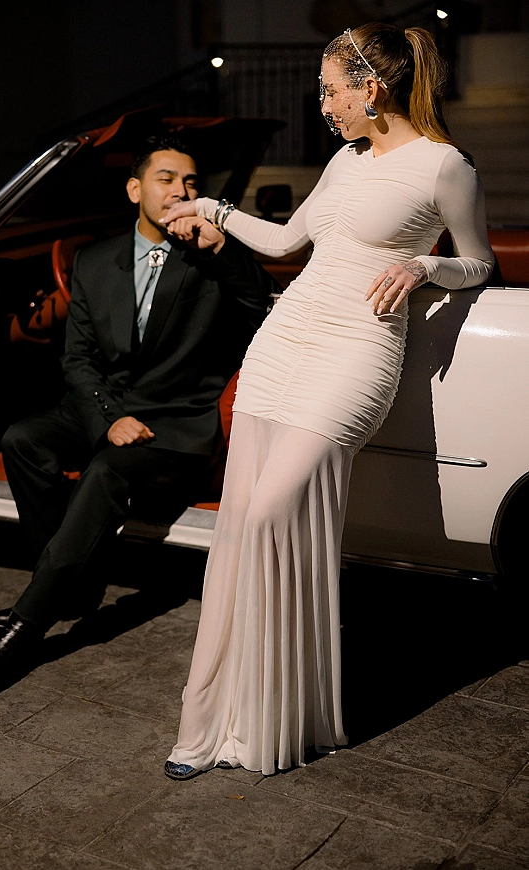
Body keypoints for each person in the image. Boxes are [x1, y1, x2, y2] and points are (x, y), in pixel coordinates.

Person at [162, 24, 495, 779]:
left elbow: (478, 262)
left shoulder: (446, 165)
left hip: (357, 351)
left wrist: (425, 267)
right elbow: (286, 242)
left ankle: (282, 712)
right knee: (240, 523)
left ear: (370, 88)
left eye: (330, 89)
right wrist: (213, 209)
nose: (324, 104)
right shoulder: (345, 160)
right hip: (283, 343)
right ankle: (223, 719)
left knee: (273, 511)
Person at [0, 136, 280, 688]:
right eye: (166, 179)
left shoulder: (210, 256)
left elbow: (264, 303)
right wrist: (108, 417)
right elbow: (78, 360)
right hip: (107, 407)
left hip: (176, 424)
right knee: (22, 439)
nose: (180, 191)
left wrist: (219, 247)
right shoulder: (94, 260)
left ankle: (29, 621)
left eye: (190, 182)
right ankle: (71, 589)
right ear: (135, 190)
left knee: (106, 470)